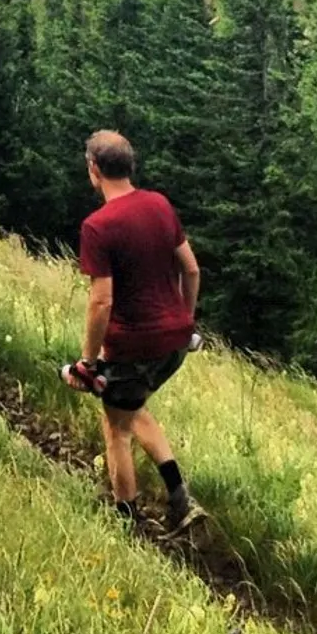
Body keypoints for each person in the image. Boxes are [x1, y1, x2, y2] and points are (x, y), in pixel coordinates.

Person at [69, 130, 203, 532]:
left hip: (133, 347)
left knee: (116, 429)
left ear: (94, 169)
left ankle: (126, 521)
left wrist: (88, 363)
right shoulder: (159, 204)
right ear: (130, 166)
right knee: (133, 404)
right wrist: (186, 320)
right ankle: (180, 497)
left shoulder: (98, 226)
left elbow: (101, 301)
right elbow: (191, 268)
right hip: (176, 342)